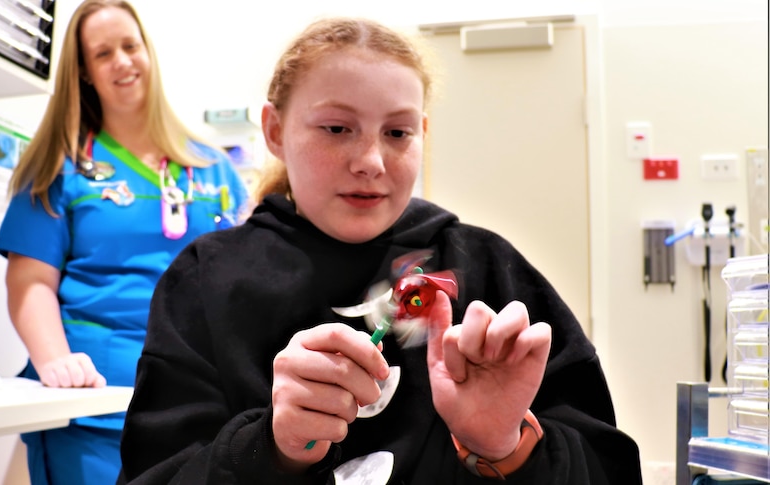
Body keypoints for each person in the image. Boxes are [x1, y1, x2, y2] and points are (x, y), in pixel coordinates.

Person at [117, 17, 642, 484]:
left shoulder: (487, 269)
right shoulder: (207, 280)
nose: (371, 159)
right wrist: (272, 448)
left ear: (423, 135)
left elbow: (609, 466)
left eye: (397, 132)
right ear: (275, 131)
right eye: (337, 128)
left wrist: (506, 446)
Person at [0, 1, 248, 484]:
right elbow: (29, 283)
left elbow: (243, 284)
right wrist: (54, 361)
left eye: (130, 46)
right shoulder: (57, 167)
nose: (123, 61)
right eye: (103, 53)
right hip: (94, 401)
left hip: (201, 405)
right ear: (85, 73)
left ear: (148, 52)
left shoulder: (214, 169)